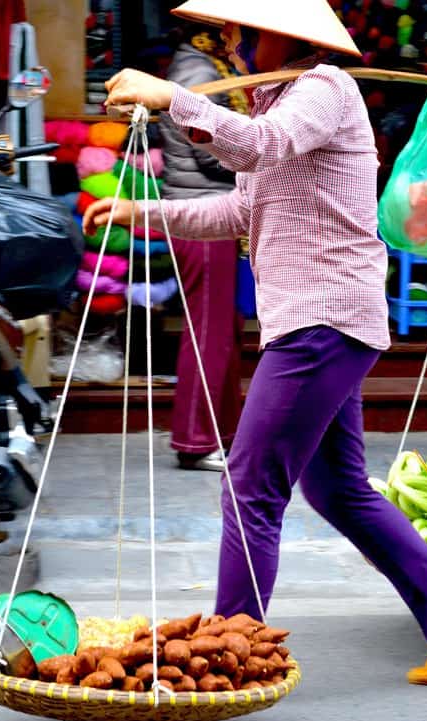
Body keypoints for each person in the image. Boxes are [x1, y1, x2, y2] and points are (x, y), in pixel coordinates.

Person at [83, 0, 427, 687]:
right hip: (319, 320)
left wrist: (173, 96)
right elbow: (240, 209)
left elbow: (258, 146)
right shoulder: (276, 102)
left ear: (283, 35)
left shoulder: (325, 91)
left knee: (250, 485)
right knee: (339, 489)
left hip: (321, 321)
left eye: (247, 32)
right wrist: (142, 211)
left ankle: (229, 651)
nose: (238, 45)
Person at [160, 25, 246, 472]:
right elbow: (209, 152)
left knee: (223, 330)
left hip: (211, 213)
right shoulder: (198, 73)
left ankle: (222, 432)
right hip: (201, 215)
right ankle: (196, 439)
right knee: (208, 331)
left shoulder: (210, 68)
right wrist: (257, 150)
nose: (239, 37)